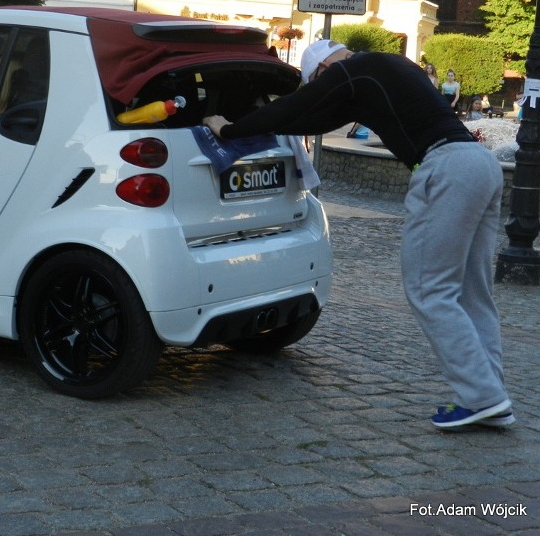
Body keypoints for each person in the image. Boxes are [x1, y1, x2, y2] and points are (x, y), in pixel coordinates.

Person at [203, 40, 513, 430]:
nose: (322, 84)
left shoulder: (355, 70)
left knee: (429, 288)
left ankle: (482, 397)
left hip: (445, 167)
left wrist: (229, 128)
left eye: (317, 77)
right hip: (478, 162)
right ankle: (492, 394)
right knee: (472, 291)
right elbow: (312, 119)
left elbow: (299, 106)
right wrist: (267, 121)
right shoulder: (391, 68)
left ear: (325, 67)